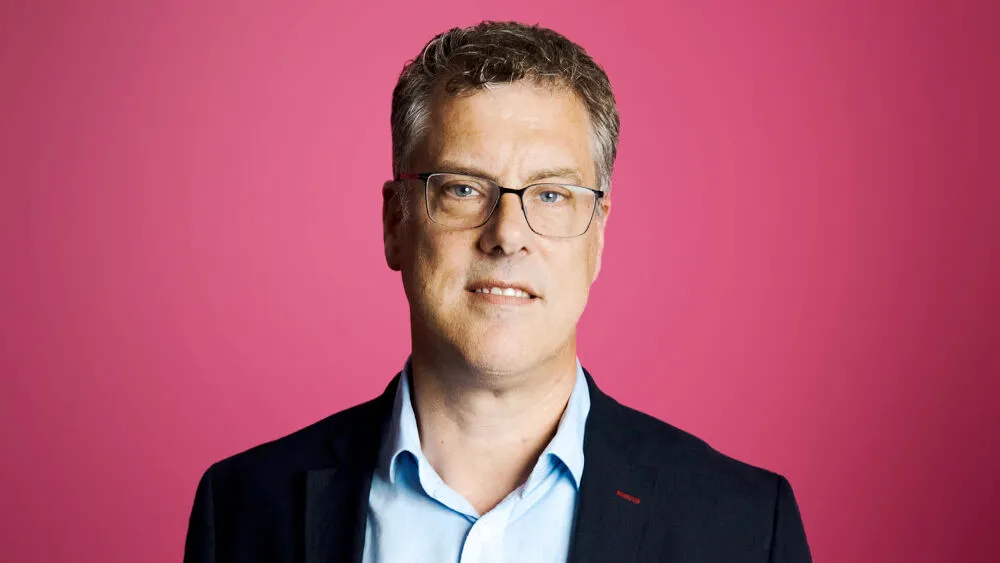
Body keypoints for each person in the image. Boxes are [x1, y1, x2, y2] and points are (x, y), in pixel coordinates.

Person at [184, 21, 812, 563]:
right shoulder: (242, 509)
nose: (507, 234)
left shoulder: (746, 527)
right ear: (396, 224)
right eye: (462, 188)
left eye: (551, 195)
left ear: (597, 239)